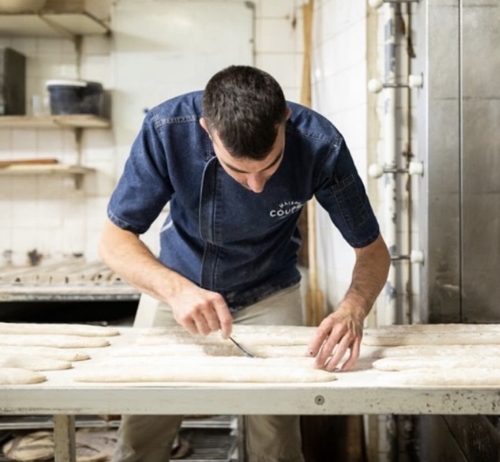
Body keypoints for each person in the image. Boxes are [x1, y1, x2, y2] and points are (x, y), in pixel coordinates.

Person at [98, 65, 390, 462]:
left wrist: (353, 310)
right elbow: (114, 240)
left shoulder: (321, 145)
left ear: (284, 120)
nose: (257, 185)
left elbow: (372, 250)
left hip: (271, 292)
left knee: (277, 441)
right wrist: (176, 291)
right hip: (176, 292)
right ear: (206, 128)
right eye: (239, 170)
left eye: (270, 166)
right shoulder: (166, 129)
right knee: (142, 433)